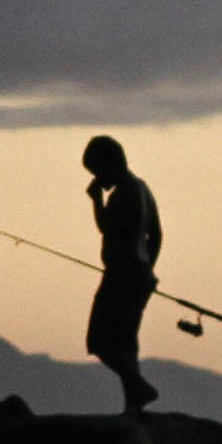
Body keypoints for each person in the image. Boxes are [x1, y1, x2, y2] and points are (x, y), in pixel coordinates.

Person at [80, 134, 162, 416]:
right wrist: (148, 267)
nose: (97, 179)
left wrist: (95, 200)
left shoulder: (123, 194)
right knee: (126, 341)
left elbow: (107, 227)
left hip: (121, 276)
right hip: (140, 275)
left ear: (111, 164)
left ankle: (139, 387)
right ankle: (134, 405)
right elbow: (156, 234)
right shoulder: (142, 188)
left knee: (100, 341)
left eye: (97, 172)